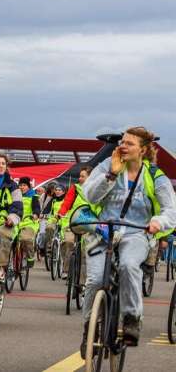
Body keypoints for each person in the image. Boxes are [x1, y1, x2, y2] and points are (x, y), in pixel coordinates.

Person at [79, 127, 176, 354]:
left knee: (128, 266)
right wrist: (111, 175)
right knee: (94, 281)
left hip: (137, 233)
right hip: (103, 232)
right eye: (122, 142)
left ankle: (131, 319)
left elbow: (171, 210)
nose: (123, 146)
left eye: (129, 143)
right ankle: (88, 329)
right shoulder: (106, 166)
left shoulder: (155, 176)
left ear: (142, 150)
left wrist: (158, 222)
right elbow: (90, 196)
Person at [0, 153, 22, 282]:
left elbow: (18, 205)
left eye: (3, 164)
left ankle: (0, 268)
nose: (1, 166)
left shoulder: (12, 185)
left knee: (3, 235)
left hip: (5, 221)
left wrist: (12, 218)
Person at [57, 166, 92, 280]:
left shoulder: (95, 190)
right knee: (68, 242)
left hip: (89, 224)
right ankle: (66, 269)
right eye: (80, 176)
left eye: (83, 176)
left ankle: (83, 280)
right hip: (73, 222)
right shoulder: (75, 189)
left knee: (85, 249)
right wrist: (61, 213)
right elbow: (67, 203)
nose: (80, 178)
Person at [17, 177, 41, 266]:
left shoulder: (33, 196)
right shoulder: (15, 195)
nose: (21, 187)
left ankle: (30, 256)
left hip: (29, 222)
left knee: (26, 239)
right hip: (16, 222)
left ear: (28, 187)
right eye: (20, 185)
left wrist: (35, 214)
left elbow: (37, 207)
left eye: (24, 185)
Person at [43, 182, 66, 255]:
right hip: (54, 220)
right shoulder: (53, 200)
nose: (57, 191)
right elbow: (47, 209)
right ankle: (50, 245)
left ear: (63, 191)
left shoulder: (66, 200)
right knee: (49, 227)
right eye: (56, 190)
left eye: (60, 190)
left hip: (64, 219)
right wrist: (42, 214)